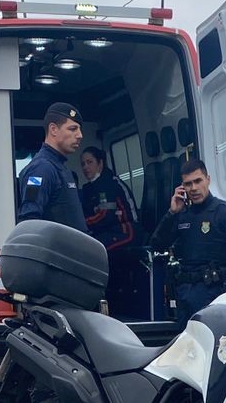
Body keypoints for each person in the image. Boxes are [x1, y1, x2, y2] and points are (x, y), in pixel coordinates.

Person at [151, 159, 226, 328]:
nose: (194, 188)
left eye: (198, 181)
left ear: (208, 180)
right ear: (182, 186)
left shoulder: (224, 212)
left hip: (214, 295)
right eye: (188, 184)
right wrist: (172, 213)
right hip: (185, 297)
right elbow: (157, 244)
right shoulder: (181, 214)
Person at [80, 146, 144, 317]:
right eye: (83, 164)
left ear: (100, 163)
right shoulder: (89, 188)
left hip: (127, 231)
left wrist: (82, 226)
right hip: (110, 230)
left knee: (96, 252)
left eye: (90, 162)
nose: (86, 167)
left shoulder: (108, 183)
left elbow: (104, 215)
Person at [16, 103, 87, 231]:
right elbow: (29, 220)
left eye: (79, 129)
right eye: (73, 129)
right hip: (57, 250)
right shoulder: (41, 169)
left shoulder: (61, 168)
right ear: (53, 129)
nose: (79, 135)